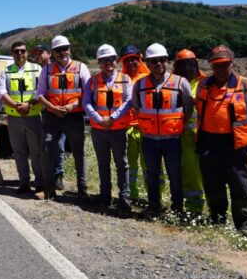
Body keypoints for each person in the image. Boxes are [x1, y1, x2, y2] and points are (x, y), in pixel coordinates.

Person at [196, 45, 247, 235]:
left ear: (231, 64)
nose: (221, 69)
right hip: (208, 143)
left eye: (224, 65)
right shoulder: (204, 85)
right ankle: (217, 220)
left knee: (240, 186)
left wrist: (238, 131)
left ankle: (244, 225)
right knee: (212, 184)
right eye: (217, 65)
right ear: (211, 66)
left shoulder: (246, 86)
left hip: (234, 144)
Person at [131, 43, 193, 216]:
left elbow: (188, 108)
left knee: (175, 174)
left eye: (162, 60)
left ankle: (177, 208)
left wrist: (175, 125)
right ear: (148, 63)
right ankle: (153, 205)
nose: (158, 64)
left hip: (172, 139)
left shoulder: (181, 83)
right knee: (152, 175)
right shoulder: (140, 85)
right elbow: (136, 107)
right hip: (149, 139)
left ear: (167, 61)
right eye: (153, 61)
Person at [34, 35, 91, 201]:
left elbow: (88, 92)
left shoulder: (81, 67)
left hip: (74, 117)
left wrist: (73, 105)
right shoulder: (47, 70)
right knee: (47, 151)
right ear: (52, 53)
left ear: (69, 49)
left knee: (79, 153)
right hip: (52, 117)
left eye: (65, 48)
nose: (62, 52)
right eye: (58, 50)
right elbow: (40, 94)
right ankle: (48, 189)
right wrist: (52, 108)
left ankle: (83, 190)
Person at [83, 44, 133, 214]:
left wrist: (113, 117)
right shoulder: (93, 80)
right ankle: (105, 196)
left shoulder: (126, 79)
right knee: (103, 164)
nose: (108, 63)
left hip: (118, 128)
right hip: (99, 130)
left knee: (122, 164)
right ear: (99, 63)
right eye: (104, 61)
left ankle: (124, 198)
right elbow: (86, 102)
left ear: (116, 60)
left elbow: (128, 101)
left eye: (110, 60)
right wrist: (99, 119)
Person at [0, 41, 44, 196]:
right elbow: (2, 92)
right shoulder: (6, 71)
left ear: (27, 53)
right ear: (12, 53)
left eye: (23, 51)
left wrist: (28, 105)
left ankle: (40, 184)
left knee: (37, 152)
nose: (20, 54)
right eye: (16, 51)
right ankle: (24, 182)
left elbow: (41, 92)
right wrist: (17, 106)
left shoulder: (37, 69)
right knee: (19, 152)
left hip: (33, 116)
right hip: (14, 117)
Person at [119, 44, 161, 202]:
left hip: (147, 130)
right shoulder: (121, 80)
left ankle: (154, 197)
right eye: (127, 60)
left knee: (150, 165)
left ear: (140, 59)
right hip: (126, 129)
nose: (131, 63)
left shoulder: (150, 78)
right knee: (129, 166)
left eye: (134, 59)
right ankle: (131, 195)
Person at [172, 49, 206, 215]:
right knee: (184, 173)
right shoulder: (172, 83)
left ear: (196, 64)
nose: (186, 68)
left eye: (190, 64)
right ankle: (188, 207)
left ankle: (200, 208)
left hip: (201, 137)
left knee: (201, 173)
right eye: (182, 65)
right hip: (178, 137)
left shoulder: (205, 83)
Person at [31, 43, 66, 188]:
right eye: (35, 54)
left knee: (59, 145)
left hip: (60, 113)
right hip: (47, 114)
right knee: (46, 145)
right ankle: (48, 177)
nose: (37, 56)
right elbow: (39, 92)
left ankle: (58, 176)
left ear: (49, 53)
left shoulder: (57, 69)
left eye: (40, 53)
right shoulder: (41, 70)